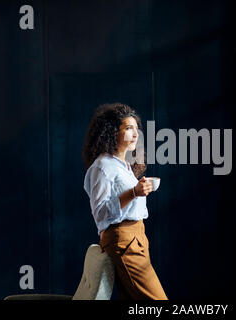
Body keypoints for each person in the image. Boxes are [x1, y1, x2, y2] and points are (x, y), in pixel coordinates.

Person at [82, 102, 167, 300]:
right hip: (123, 239)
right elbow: (101, 213)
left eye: (136, 128)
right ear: (111, 132)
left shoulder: (123, 165)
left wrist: (137, 191)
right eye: (128, 128)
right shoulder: (102, 166)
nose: (135, 134)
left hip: (136, 237)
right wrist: (134, 193)